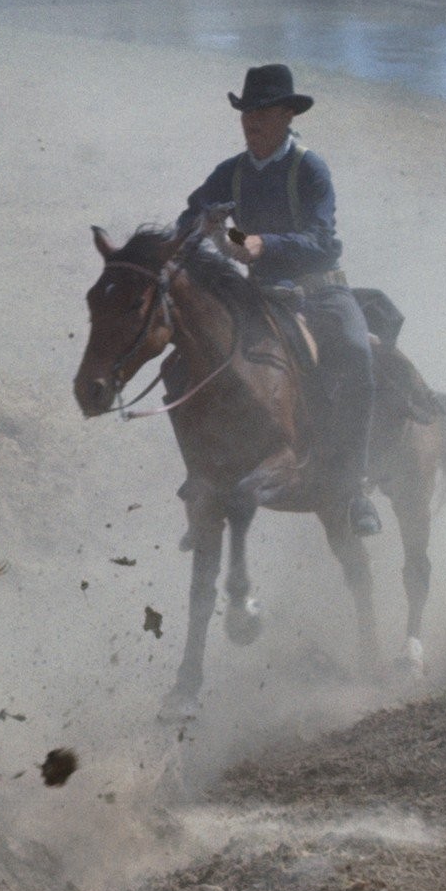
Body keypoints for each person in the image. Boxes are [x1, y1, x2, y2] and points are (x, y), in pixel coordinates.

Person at [178, 64, 380, 538]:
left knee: (356, 353)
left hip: (321, 289)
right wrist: (200, 231)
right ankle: (204, 478)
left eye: (263, 113)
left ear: (287, 116)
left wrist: (262, 244)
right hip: (260, 294)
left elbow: (321, 241)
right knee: (186, 360)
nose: (251, 122)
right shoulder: (229, 173)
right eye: (247, 113)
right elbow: (191, 217)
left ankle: (354, 487)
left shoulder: (310, 168)